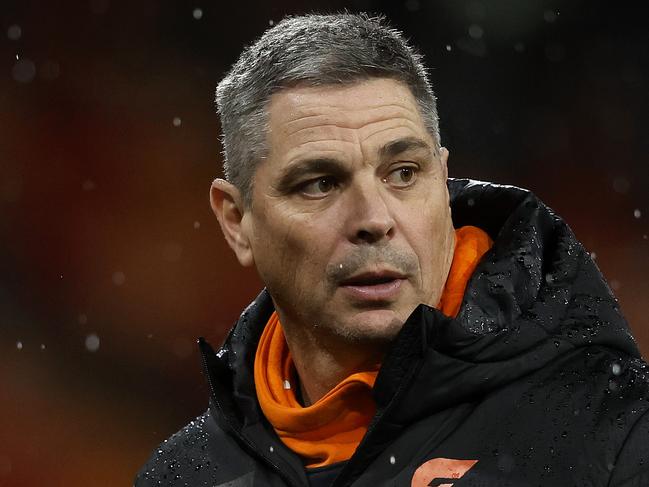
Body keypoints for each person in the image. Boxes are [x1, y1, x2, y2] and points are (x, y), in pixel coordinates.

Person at [135, 13, 648, 487]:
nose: (374, 220)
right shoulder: (183, 476)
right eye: (319, 183)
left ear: (444, 183)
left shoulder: (612, 431)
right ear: (236, 221)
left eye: (403, 174)